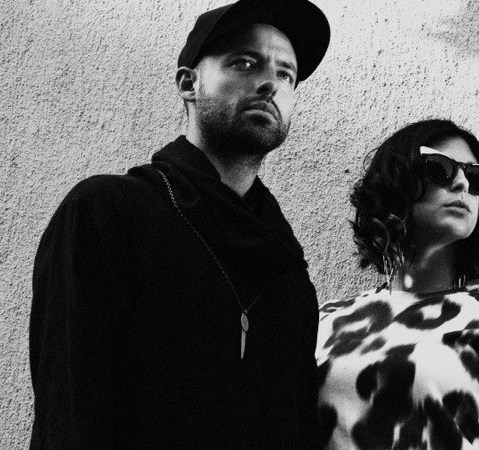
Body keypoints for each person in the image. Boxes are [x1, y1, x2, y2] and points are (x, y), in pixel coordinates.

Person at [29, 0, 330, 448]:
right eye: (245, 63)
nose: (271, 82)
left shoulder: (287, 269)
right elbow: (69, 412)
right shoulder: (107, 213)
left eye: (287, 74)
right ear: (189, 83)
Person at [315, 119, 479, 449]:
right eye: (441, 168)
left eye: (478, 178)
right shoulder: (326, 320)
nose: (462, 184)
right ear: (396, 180)